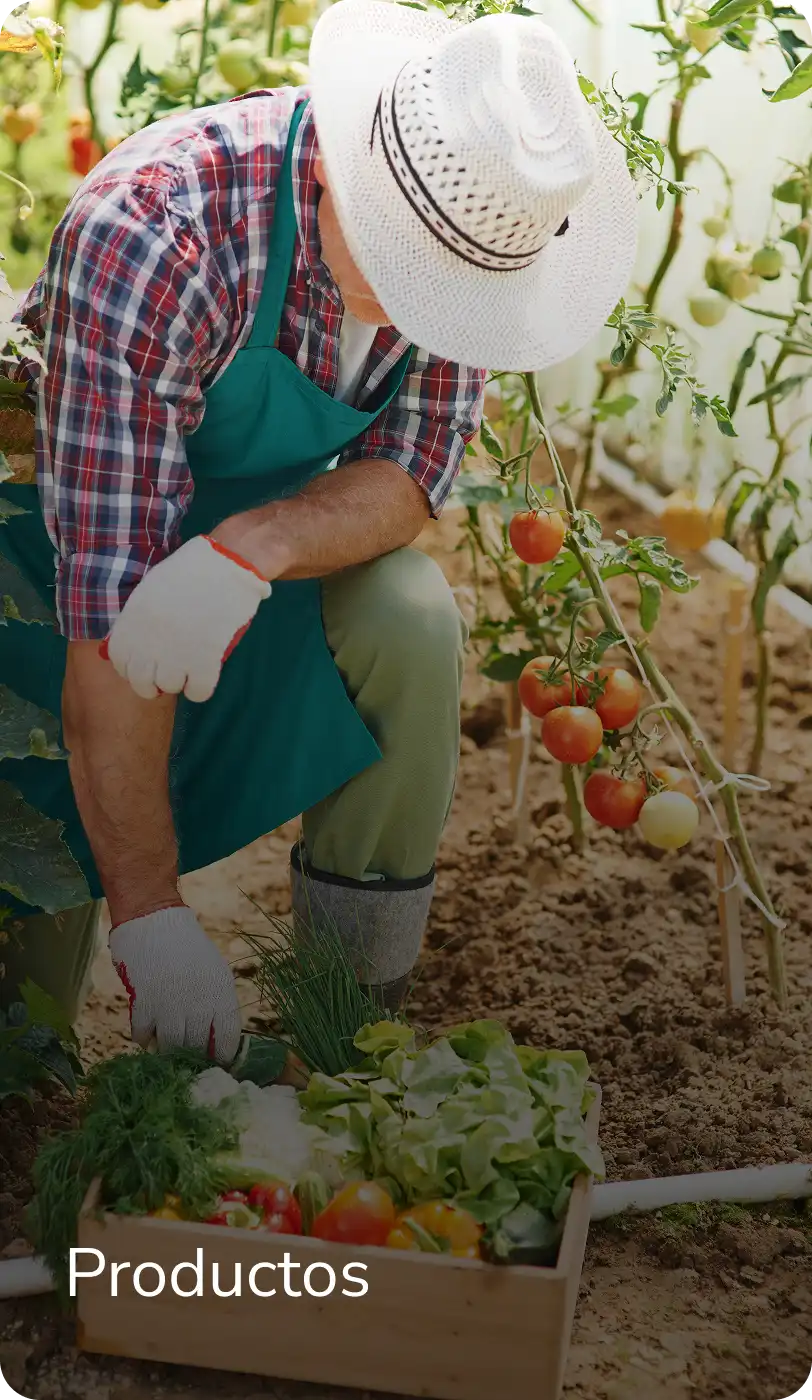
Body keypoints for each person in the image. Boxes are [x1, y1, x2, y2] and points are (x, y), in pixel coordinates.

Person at [0, 0, 637, 1063]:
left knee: (410, 614)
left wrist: (251, 548)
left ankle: (348, 1015)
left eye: (456, 298)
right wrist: (151, 914)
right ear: (346, 173)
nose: (424, 321)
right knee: (31, 1037)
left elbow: (415, 467)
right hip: (62, 585)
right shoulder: (156, 235)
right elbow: (106, 602)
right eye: (411, 278)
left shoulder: (467, 227)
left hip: (243, 573)